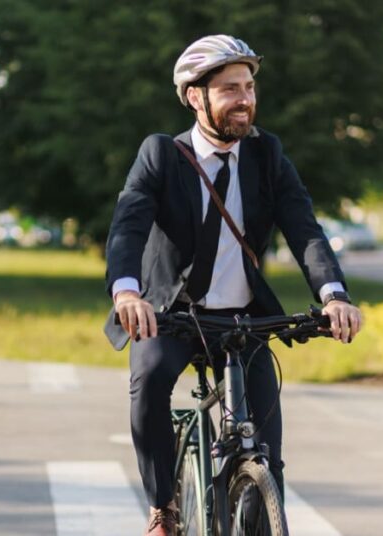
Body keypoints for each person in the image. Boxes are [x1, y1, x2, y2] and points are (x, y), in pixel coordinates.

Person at [103, 35, 363, 535]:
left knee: (265, 450)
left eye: (249, 86)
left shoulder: (266, 154)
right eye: (229, 89)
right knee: (151, 383)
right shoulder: (161, 154)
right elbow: (128, 224)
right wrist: (128, 292)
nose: (245, 99)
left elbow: (304, 227)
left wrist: (334, 295)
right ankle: (163, 507)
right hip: (171, 315)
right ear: (196, 97)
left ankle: (258, 501)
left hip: (243, 317)